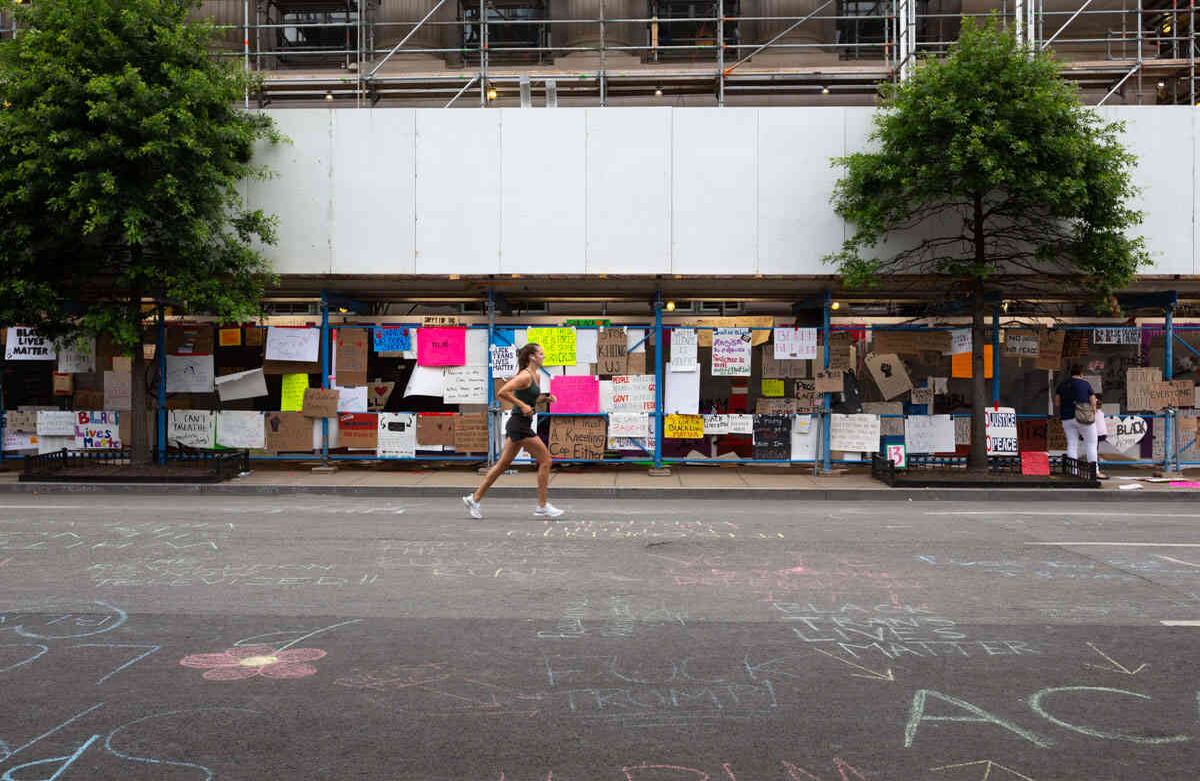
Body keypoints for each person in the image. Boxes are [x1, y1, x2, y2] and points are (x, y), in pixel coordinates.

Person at [463, 343, 564, 519]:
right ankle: (542, 506)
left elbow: (532, 398)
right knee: (546, 460)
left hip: (520, 424)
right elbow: (503, 392)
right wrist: (522, 405)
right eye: (541, 354)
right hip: (519, 425)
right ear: (532, 357)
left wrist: (545, 399)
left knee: (502, 465)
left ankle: (474, 498)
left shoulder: (536, 376)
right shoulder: (524, 376)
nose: (544, 356)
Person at [1056, 365, 1107, 479]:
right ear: (1081, 373)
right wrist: (1093, 411)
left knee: (1072, 444)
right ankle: (1094, 472)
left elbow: (1057, 402)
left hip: (1067, 418)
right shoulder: (1085, 384)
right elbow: (1093, 401)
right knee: (1091, 444)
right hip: (1084, 417)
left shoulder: (1062, 385)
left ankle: (1073, 471)